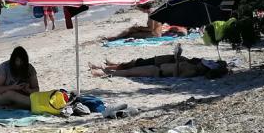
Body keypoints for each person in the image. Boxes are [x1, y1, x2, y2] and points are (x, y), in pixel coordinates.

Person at [90, 54, 228, 79]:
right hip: (158, 67)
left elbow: (176, 75)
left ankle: (102, 72)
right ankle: (104, 69)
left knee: (130, 72)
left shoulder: (191, 71)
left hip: (157, 71)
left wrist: (177, 65)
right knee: (131, 69)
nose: (200, 61)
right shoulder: (191, 64)